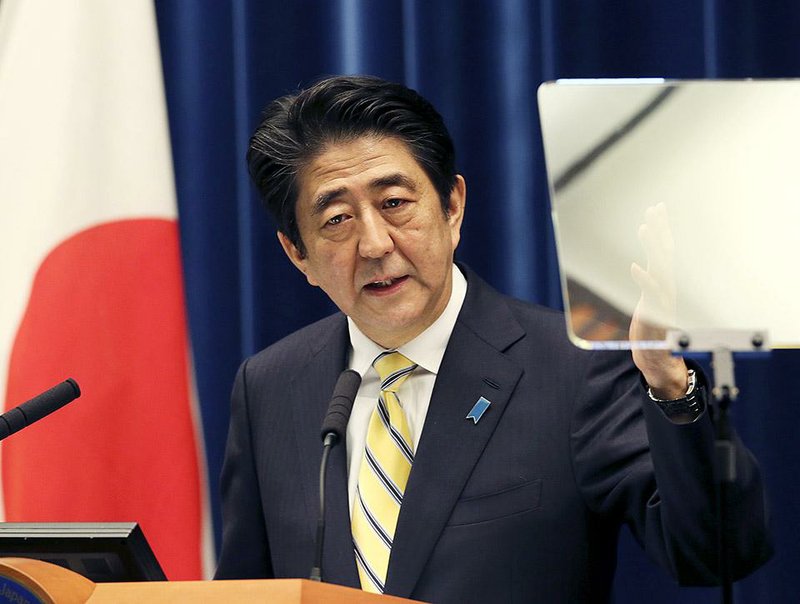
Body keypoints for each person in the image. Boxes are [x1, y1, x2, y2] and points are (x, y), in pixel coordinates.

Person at [215, 75, 771, 602]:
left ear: (452, 208)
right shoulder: (270, 387)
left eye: (394, 204)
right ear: (298, 254)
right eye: (337, 219)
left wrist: (668, 382)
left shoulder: (573, 368)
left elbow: (717, 554)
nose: (375, 244)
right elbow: (246, 589)